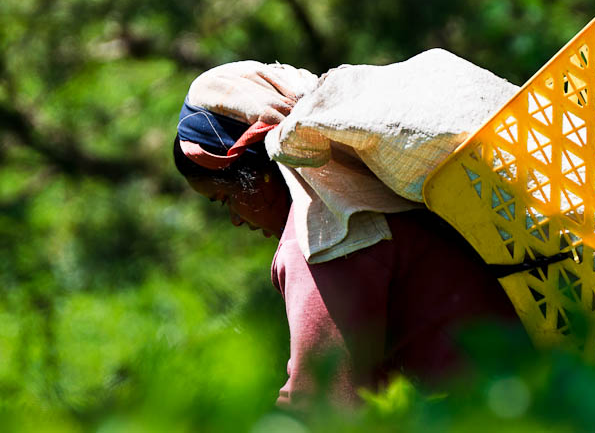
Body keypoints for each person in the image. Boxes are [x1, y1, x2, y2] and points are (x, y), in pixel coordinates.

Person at [173, 52, 521, 409]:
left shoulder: (326, 235)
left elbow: (322, 404)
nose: (235, 218)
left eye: (225, 198)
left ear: (257, 175)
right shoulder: (384, 184)